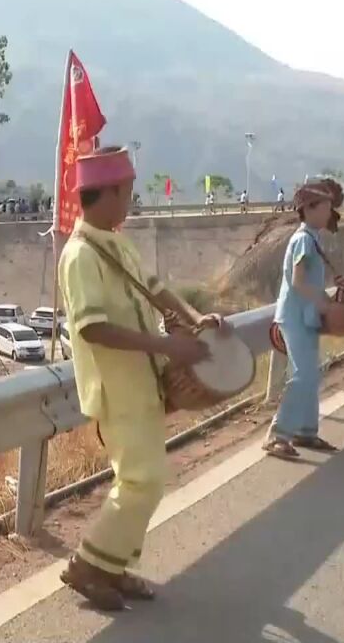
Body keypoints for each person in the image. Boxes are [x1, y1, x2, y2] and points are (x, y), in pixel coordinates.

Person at [57, 146, 224, 611]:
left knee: (145, 479)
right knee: (140, 480)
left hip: (142, 383)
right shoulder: (78, 256)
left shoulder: (116, 242)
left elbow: (155, 288)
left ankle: (110, 566)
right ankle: (88, 565)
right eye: (127, 192)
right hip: (116, 390)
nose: (130, 200)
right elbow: (91, 327)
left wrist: (193, 316)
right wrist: (170, 346)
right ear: (105, 193)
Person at [263, 181, 341, 459]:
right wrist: (322, 301)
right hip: (295, 316)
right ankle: (277, 435)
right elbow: (298, 281)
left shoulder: (313, 238)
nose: (329, 214)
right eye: (325, 208)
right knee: (302, 374)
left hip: (305, 316)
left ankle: (306, 431)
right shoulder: (303, 240)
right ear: (308, 209)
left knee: (311, 372)